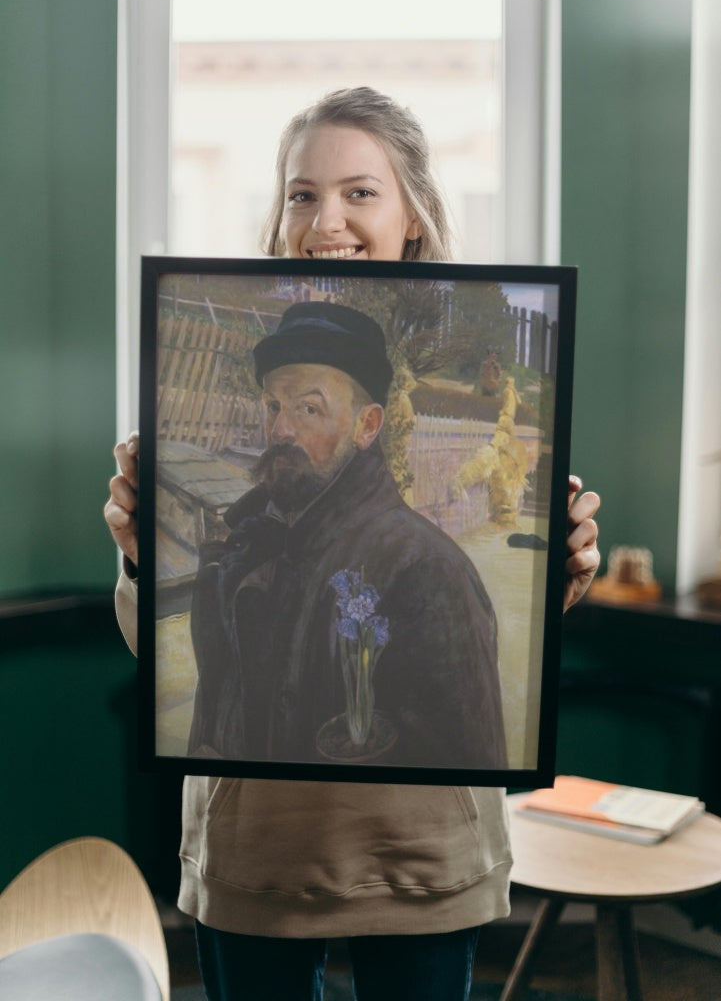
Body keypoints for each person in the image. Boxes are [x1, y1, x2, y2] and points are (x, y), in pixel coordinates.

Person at [105, 86, 601, 1001]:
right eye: (301, 193)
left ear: (412, 213)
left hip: (414, 862)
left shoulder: (425, 560)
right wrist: (140, 558)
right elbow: (182, 676)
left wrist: (561, 581)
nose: (324, 218)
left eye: (359, 192)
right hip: (253, 856)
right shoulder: (240, 525)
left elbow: (472, 710)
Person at [188, 300, 507, 769]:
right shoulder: (252, 541)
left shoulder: (426, 569)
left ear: (368, 425)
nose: (279, 429)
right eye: (273, 406)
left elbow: (465, 774)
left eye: (308, 408)